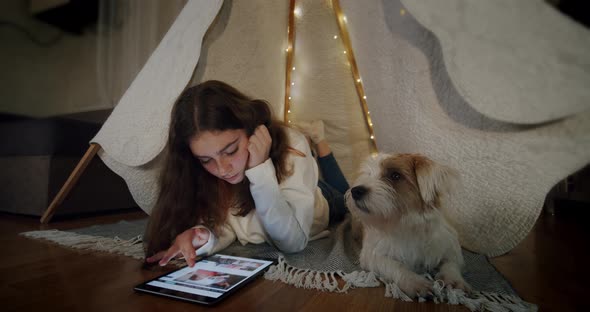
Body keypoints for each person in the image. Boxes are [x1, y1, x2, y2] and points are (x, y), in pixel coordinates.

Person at [144, 80, 350, 267]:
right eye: (206, 160)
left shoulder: (292, 144)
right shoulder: (202, 171)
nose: (223, 169)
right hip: (288, 186)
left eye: (231, 150)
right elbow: (226, 224)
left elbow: (292, 242)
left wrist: (259, 169)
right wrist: (201, 236)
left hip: (321, 199)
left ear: (251, 129)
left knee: (348, 197)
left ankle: (320, 139)